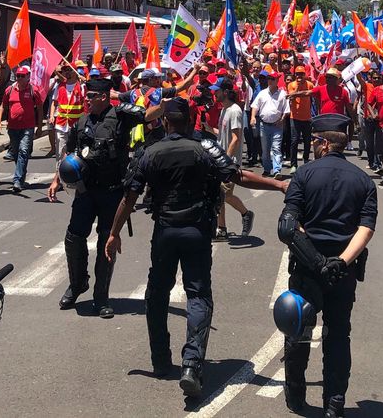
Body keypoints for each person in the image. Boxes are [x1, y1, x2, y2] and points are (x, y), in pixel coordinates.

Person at [104, 97, 285, 398]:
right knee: (198, 295)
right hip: (198, 231)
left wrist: (114, 233)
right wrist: (277, 185)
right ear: (189, 121)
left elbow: (129, 197)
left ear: (164, 122)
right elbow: (237, 176)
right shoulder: (205, 147)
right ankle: (191, 364)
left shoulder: (149, 151)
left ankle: (160, 361)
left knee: (157, 293)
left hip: (165, 232)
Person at [277, 113, 377, 417]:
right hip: (342, 272)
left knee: (298, 330)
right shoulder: (363, 180)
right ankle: (335, 403)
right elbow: (366, 229)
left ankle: (296, 394)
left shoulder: (304, 175)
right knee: (337, 335)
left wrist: (318, 263)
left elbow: (288, 227)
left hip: (309, 267)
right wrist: (340, 262)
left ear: (321, 142)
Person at [48, 77, 152, 318]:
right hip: (86, 191)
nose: (86, 98)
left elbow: (150, 114)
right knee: (74, 237)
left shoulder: (121, 117)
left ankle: (101, 296)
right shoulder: (82, 121)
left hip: (113, 192)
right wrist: (57, 178)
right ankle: (77, 284)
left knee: (107, 242)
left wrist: (125, 99)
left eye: (91, 95)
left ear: (104, 97)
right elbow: (69, 152)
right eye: (87, 94)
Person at [215, 80, 255, 241]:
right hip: (223, 160)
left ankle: (224, 227)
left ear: (225, 92)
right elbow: (223, 134)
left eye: (216, 90)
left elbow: (236, 138)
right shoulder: (224, 110)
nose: (213, 93)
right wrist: (208, 128)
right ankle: (243, 215)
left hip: (228, 162)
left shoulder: (235, 111)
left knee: (222, 195)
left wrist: (224, 160)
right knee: (224, 195)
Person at [0, 66, 42, 192]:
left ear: (27, 76)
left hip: (27, 127)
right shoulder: (10, 90)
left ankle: (17, 180)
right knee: (16, 153)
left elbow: (40, 109)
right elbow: (3, 106)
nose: (19, 78)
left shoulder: (33, 90)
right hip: (12, 127)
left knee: (23, 151)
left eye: (22, 76)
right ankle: (21, 172)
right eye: (17, 76)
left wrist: (39, 127)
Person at [250, 71, 289, 179]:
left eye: (272, 79)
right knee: (265, 149)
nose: (270, 81)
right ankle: (267, 169)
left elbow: (286, 110)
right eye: (269, 79)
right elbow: (255, 106)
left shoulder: (282, 94)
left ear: (277, 81)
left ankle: (277, 170)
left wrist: (282, 119)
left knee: (276, 148)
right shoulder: (262, 93)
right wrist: (253, 117)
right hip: (264, 125)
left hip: (277, 126)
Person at [49, 65, 85, 162]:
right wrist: (52, 115)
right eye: (65, 70)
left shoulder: (81, 86)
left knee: (76, 150)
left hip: (76, 124)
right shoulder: (60, 86)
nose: (67, 72)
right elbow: (54, 102)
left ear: (75, 72)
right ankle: (59, 173)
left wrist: (85, 81)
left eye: (70, 70)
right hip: (61, 124)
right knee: (60, 151)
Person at [287, 65, 313, 170]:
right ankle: (294, 164)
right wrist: (298, 87)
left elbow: (313, 97)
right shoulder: (291, 85)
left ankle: (306, 159)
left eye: (301, 74)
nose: (299, 76)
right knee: (294, 141)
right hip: (295, 117)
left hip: (307, 117)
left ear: (304, 75)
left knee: (307, 140)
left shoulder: (310, 85)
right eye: (297, 74)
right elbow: (291, 97)